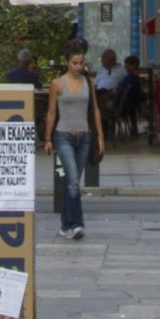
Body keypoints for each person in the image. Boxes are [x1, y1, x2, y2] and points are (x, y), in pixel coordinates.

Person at [42, 43, 108, 241]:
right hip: (64, 136)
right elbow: (52, 112)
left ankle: (65, 224)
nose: (78, 67)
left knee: (74, 183)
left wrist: (100, 136)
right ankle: (76, 224)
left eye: (81, 63)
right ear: (67, 63)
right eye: (74, 63)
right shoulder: (58, 84)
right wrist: (47, 138)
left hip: (85, 136)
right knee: (71, 181)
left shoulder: (88, 82)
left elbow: (95, 109)